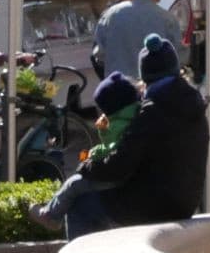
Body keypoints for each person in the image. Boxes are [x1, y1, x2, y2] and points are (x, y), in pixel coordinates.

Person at [51, 34, 208, 238]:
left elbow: (118, 166)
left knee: (82, 205)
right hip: (185, 203)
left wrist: (87, 166)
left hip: (154, 205)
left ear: (146, 76)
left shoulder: (152, 111)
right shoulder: (194, 105)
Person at [25, 72, 142, 230]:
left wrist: (94, 154)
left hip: (114, 179)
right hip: (127, 179)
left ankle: (51, 215)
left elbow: (112, 149)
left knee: (73, 184)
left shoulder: (117, 124)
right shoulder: (134, 116)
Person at [92, 0, 182, 83]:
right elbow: (178, 58)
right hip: (152, 89)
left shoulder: (109, 15)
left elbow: (99, 55)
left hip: (117, 88)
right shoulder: (167, 19)